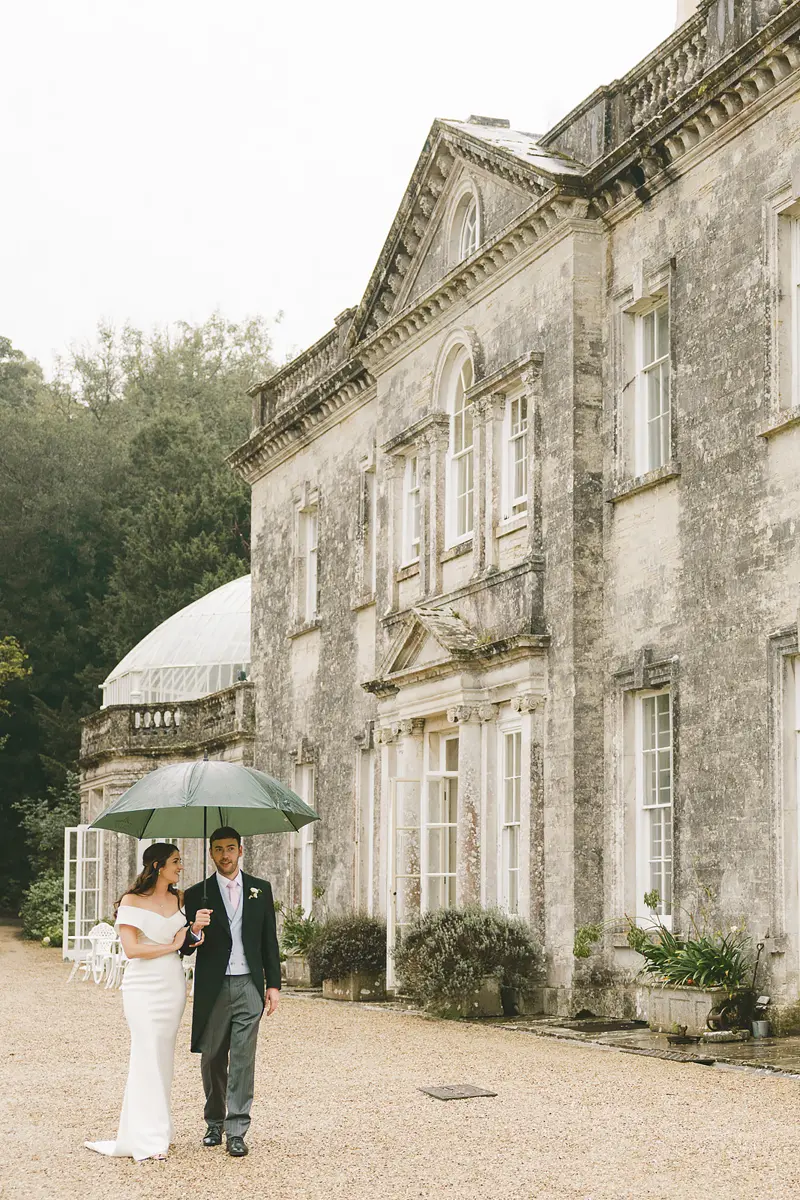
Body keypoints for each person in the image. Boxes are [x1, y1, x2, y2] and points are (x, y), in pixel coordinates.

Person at [85, 843, 210, 1162]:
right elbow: (131, 950)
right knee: (145, 1052)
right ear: (157, 866)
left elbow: (186, 944)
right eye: (175, 862)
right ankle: (146, 1138)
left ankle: (158, 1132)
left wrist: (194, 929)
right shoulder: (131, 901)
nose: (181, 867)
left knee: (163, 1057)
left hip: (172, 986)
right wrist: (173, 945)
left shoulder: (181, 899)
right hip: (141, 986)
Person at [181, 826, 281, 1158]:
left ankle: (237, 1129)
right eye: (219, 849)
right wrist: (196, 928)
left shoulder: (260, 889)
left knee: (242, 1059)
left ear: (241, 850)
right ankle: (213, 1121)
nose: (225, 855)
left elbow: (269, 941)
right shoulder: (197, 894)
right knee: (212, 1056)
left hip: (249, 984)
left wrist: (273, 985)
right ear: (211, 853)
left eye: (231, 848)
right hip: (213, 985)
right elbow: (186, 949)